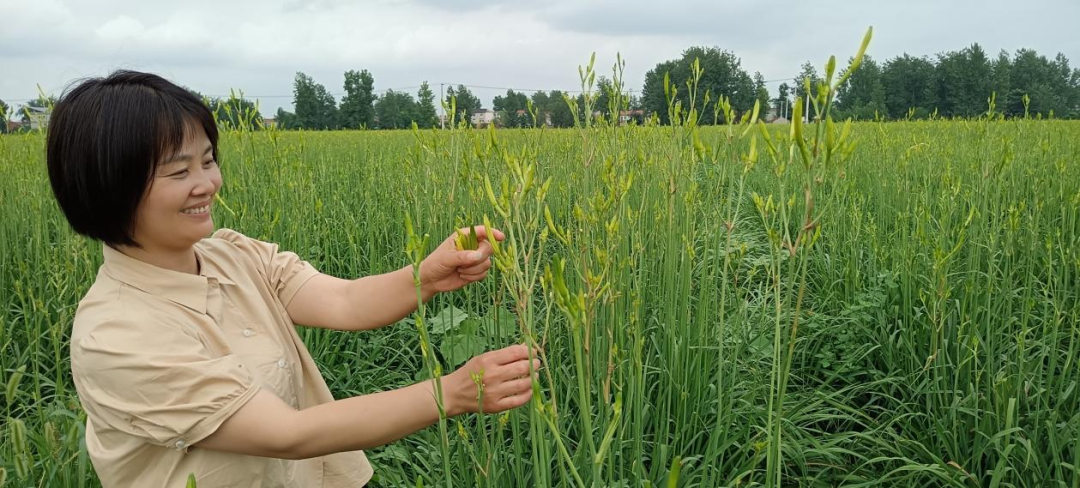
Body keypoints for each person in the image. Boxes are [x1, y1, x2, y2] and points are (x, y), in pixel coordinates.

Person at [46, 70, 539, 487]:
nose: (208, 184)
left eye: (209, 159)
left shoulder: (234, 255)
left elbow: (344, 302)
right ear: (109, 188)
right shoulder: (116, 336)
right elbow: (288, 433)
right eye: (179, 172)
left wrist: (425, 277)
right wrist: (450, 393)